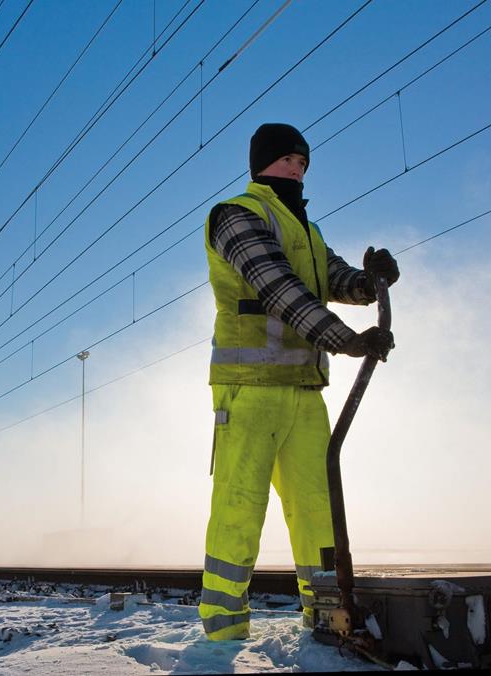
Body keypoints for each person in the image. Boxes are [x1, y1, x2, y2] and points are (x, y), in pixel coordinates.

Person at [198, 122, 398, 640]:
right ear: (263, 162)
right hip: (248, 392)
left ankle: (325, 619)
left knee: (317, 513)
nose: (298, 168)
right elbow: (278, 289)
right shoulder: (236, 216)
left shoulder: (307, 231)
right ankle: (222, 634)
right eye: (288, 159)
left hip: (305, 394)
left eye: (304, 161)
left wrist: (372, 279)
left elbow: (335, 280)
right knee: (240, 508)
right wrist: (346, 340)